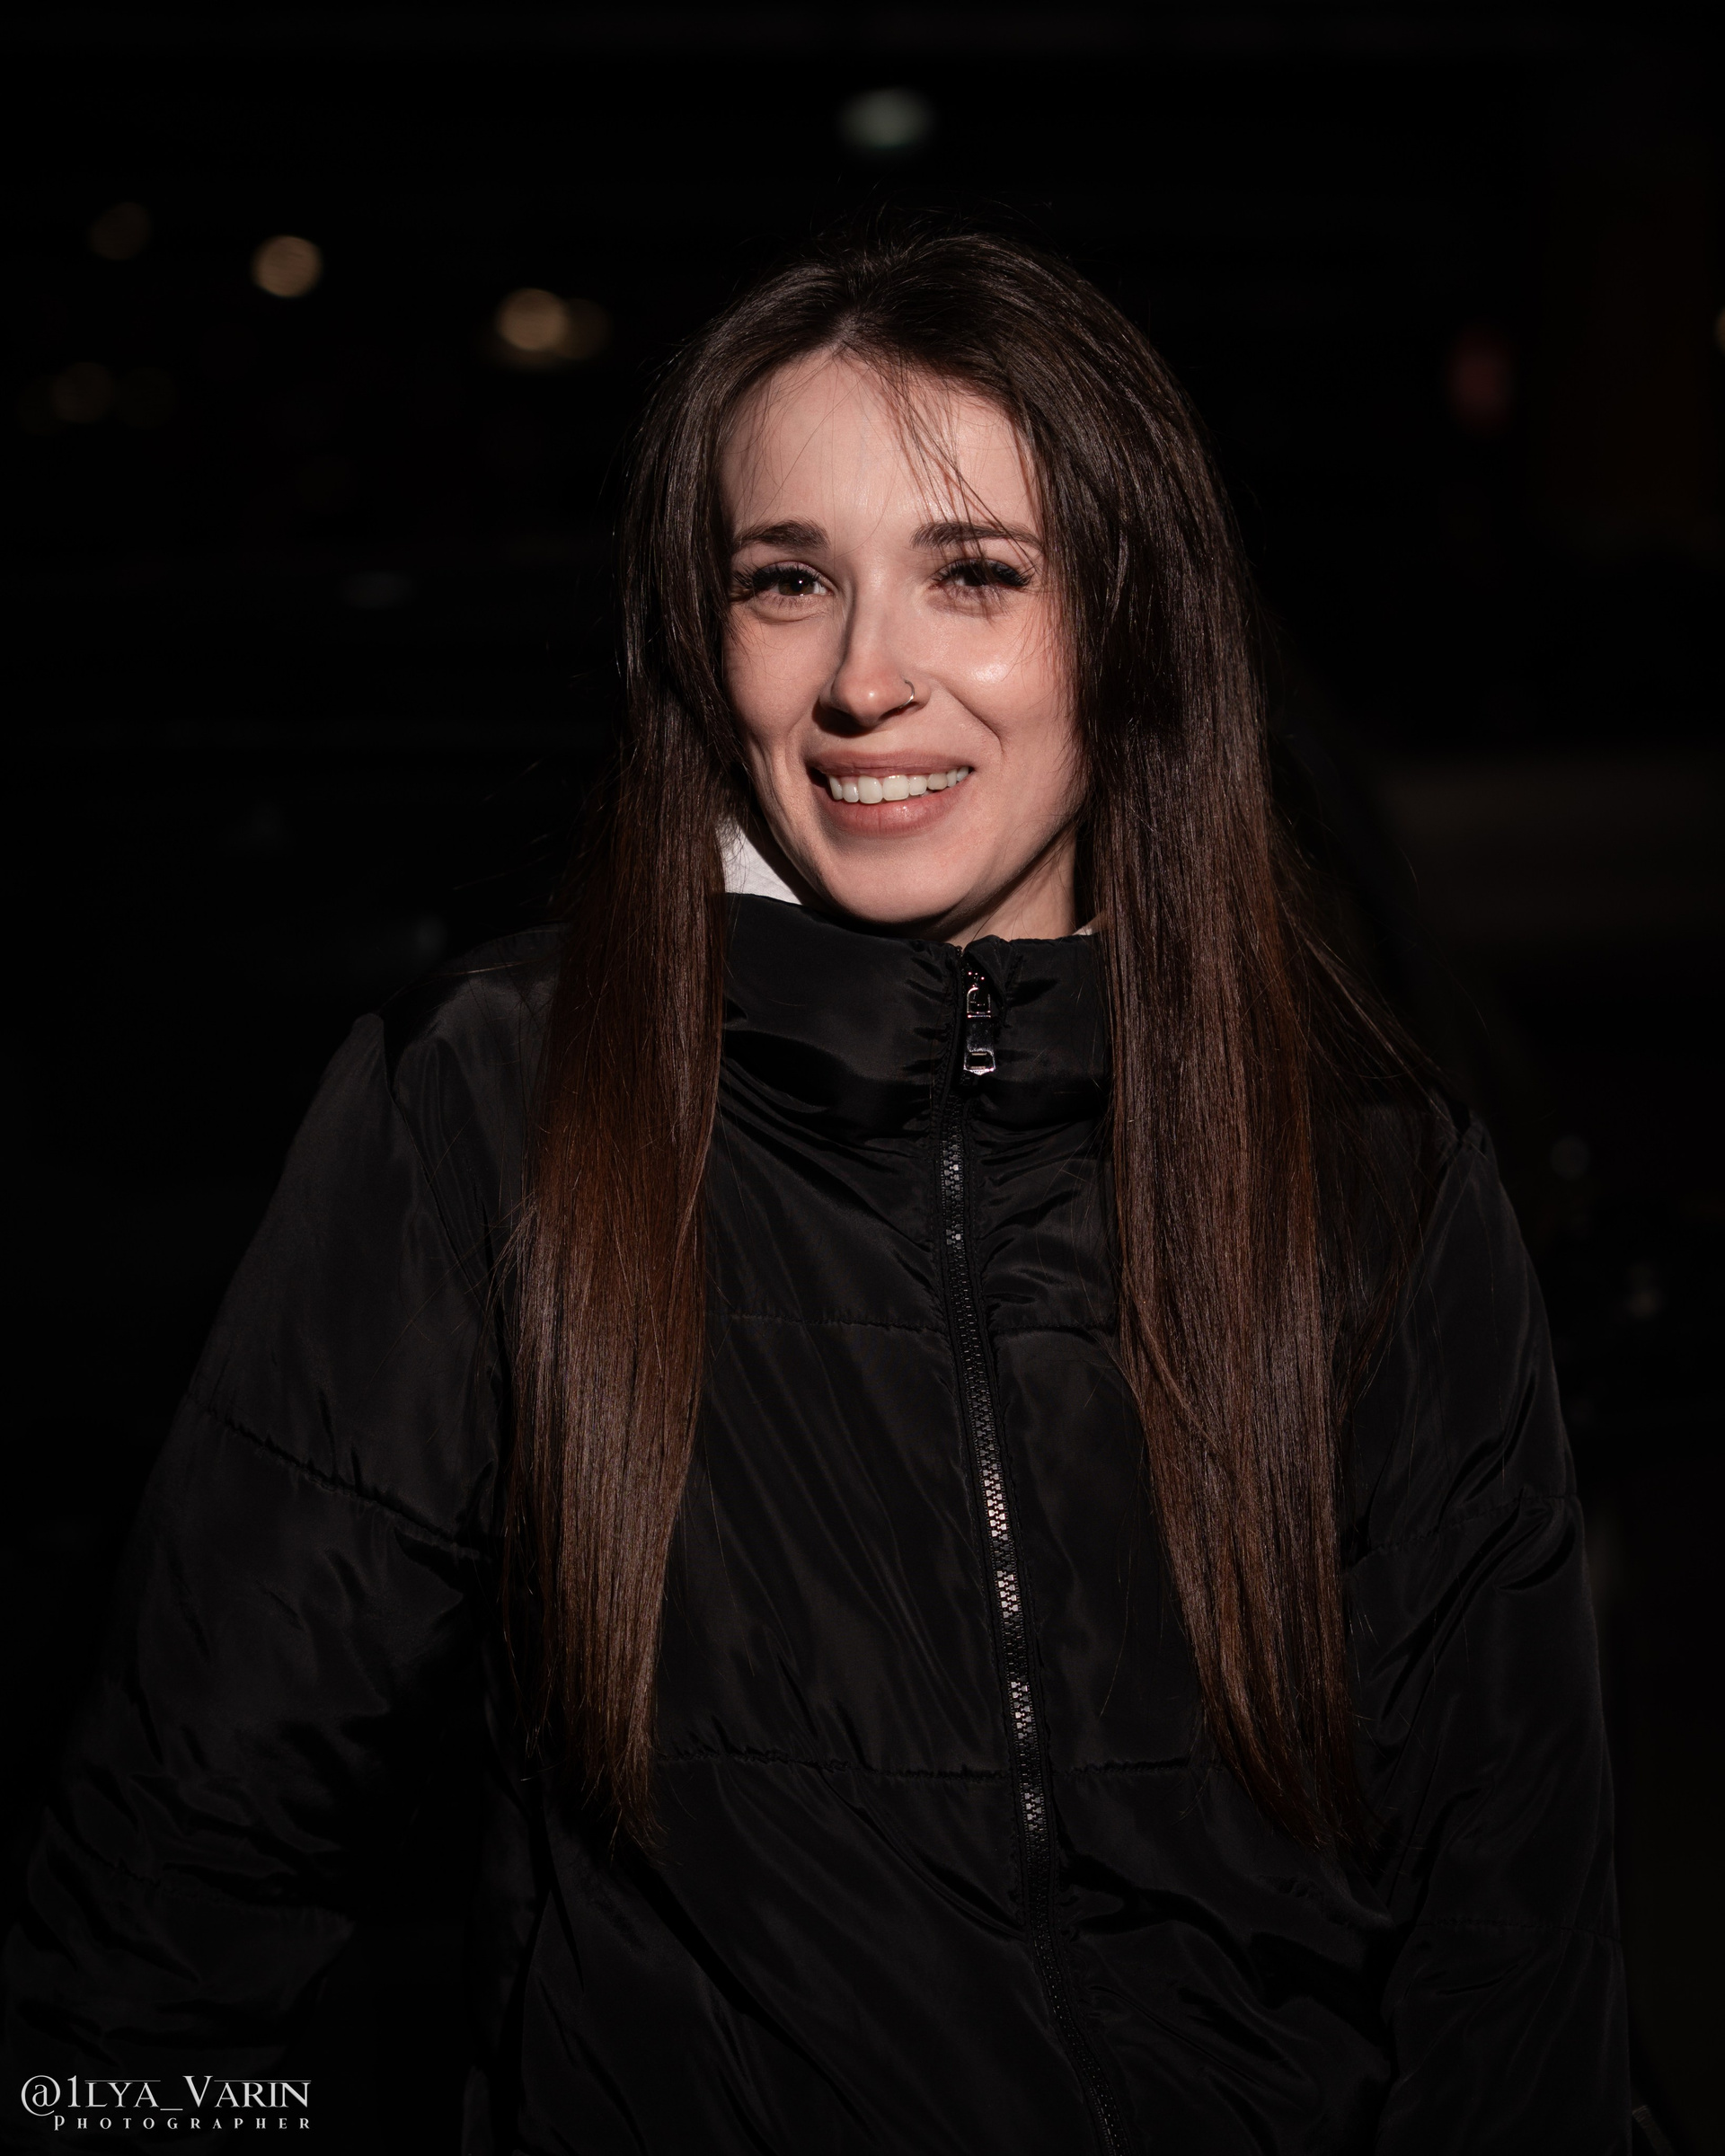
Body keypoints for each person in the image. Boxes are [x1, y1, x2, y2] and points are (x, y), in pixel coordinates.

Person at [4, 226, 1626, 2153]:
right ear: (705, 640)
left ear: (1129, 621)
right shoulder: (502, 1105)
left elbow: (1514, 1962)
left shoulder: (1366, 1168)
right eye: (789, 580)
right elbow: (174, 1886)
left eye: (975, 574)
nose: (867, 677)